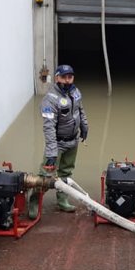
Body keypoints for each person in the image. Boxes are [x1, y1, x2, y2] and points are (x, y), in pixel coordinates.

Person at [40, 64, 89, 213]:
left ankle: (62, 200)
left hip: (73, 141)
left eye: (70, 77)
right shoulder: (50, 100)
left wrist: (85, 127)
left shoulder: (75, 92)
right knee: (45, 176)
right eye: (64, 77)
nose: (68, 80)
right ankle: (34, 202)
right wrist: (51, 153)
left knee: (66, 173)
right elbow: (48, 128)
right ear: (57, 78)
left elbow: (81, 111)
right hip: (57, 143)